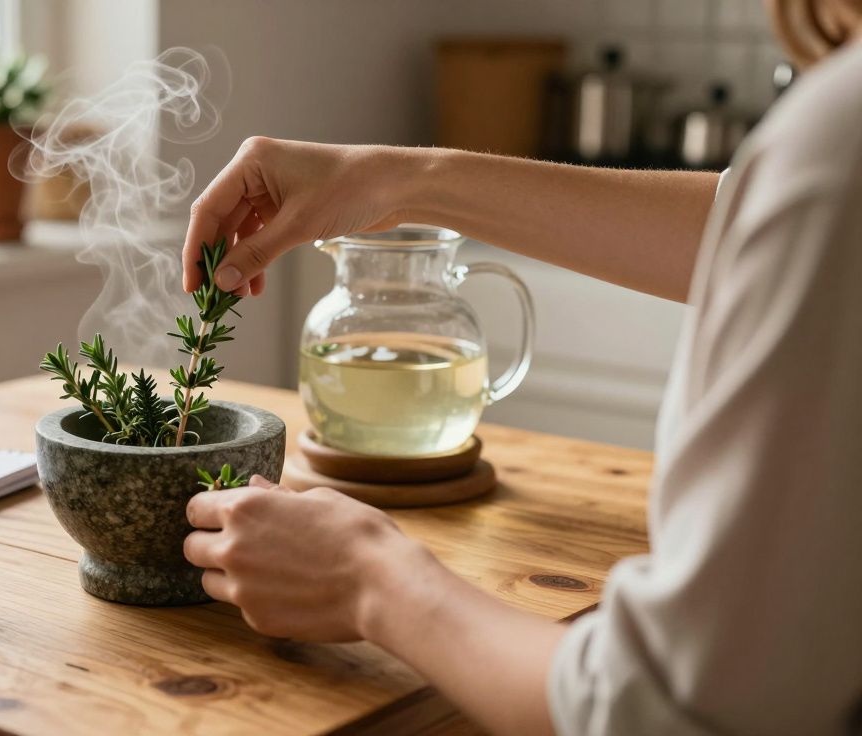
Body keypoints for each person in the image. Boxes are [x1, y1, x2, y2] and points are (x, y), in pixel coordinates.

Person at [180, 1, 862, 734]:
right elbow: (742, 223)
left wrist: (372, 580)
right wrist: (393, 178)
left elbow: (668, 712)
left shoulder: (841, 129)